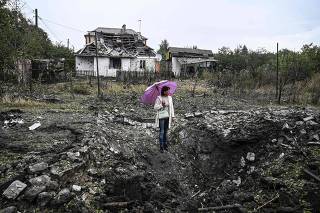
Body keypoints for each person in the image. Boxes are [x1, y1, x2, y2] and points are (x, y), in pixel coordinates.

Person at [154, 86, 175, 152]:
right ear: (164, 91)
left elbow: (172, 107)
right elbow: (155, 107)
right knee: (162, 131)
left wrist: (173, 116)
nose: (168, 92)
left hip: (168, 117)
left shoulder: (170, 98)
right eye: (167, 91)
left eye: (168, 90)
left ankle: (165, 144)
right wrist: (161, 105)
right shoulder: (159, 98)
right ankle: (161, 146)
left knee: (166, 131)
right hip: (162, 117)